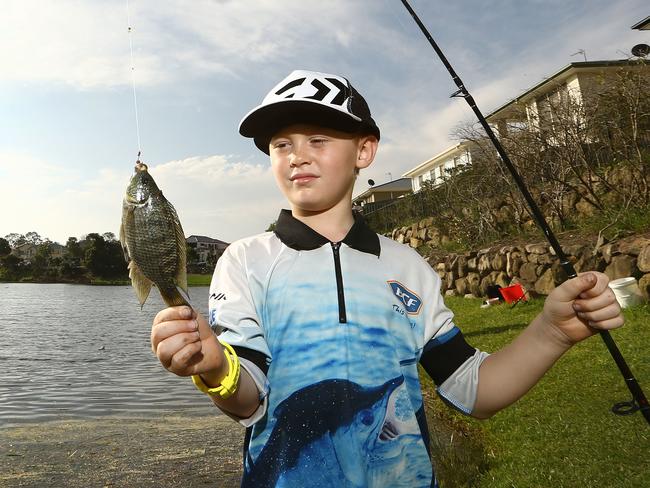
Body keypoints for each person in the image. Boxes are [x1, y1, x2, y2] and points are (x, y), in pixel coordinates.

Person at [150, 70, 623, 487]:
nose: (297, 156)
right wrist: (215, 367)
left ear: (365, 150)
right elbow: (247, 400)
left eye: (318, 140)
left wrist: (551, 332)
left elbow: (473, 390)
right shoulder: (244, 259)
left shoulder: (408, 266)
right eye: (281, 145)